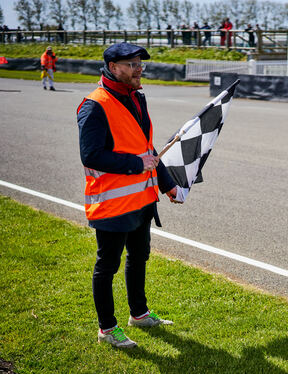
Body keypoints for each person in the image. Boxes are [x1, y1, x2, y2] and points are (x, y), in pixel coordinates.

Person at [77, 42, 182, 348]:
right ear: (113, 67)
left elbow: (145, 146)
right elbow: (91, 155)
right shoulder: (93, 105)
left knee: (139, 257)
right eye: (133, 64)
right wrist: (137, 165)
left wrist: (166, 183)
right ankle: (107, 330)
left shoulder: (137, 98)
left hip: (142, 200)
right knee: (107, 266)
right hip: (111, 202)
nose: (139, 69)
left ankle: (138, 314)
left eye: (140, 63)